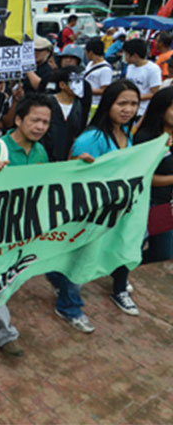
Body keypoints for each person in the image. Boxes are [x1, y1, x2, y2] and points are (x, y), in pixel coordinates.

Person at [57, 80, 141, 327]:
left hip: (112, 211)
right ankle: (68, 307)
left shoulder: (126, 133)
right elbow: (74, 175)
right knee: (81, 261)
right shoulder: (92, 138)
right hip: (90, 213)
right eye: (122, 103)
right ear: (108, 105)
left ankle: (56, 278)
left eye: (134, 104)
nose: (128, 109)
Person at [0, 93, 54, 356]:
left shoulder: (40, 151)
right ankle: (5, 333)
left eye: (45, 122)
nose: (40, 127)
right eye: (35, 120)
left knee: (4, 278)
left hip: (22, 229)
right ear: (18, 120)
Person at [134, 87, 173, 263]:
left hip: (164, 204)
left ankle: (120, 267)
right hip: (147, 203)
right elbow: (144, 177)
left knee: (162, 252)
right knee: (134, 247)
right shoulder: (146, 138)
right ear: (161, 109)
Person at [39, 67, 87, 163]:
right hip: (44, 157)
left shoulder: (78, 105)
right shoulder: (46, 102)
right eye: (75, 82)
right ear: (62, 85)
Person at [123, 38, 161, 118]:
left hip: (142, 111)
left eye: (126, 55)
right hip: (128, 107)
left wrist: (135, 98)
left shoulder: (153, 69)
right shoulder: (130, 67)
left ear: (135, 56)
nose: (125, 57)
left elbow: (154, 93)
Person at [84, 39, 113, 111]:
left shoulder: (105, 69)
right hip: (86, 101)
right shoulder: (90, 64)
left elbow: (104, 90)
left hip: (95, 104)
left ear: (90, 52)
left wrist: (86, 90)